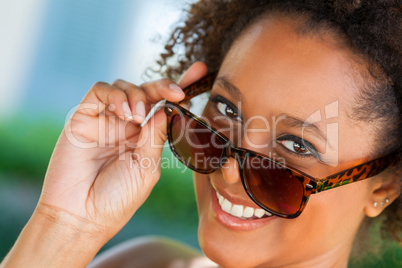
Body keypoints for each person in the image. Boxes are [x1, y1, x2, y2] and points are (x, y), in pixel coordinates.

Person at [1, 0, 401, 267]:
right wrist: (65, 225)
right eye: (225, 108)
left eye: (297, 145)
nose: (227, 172)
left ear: (383, 188)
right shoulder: (146, 263)